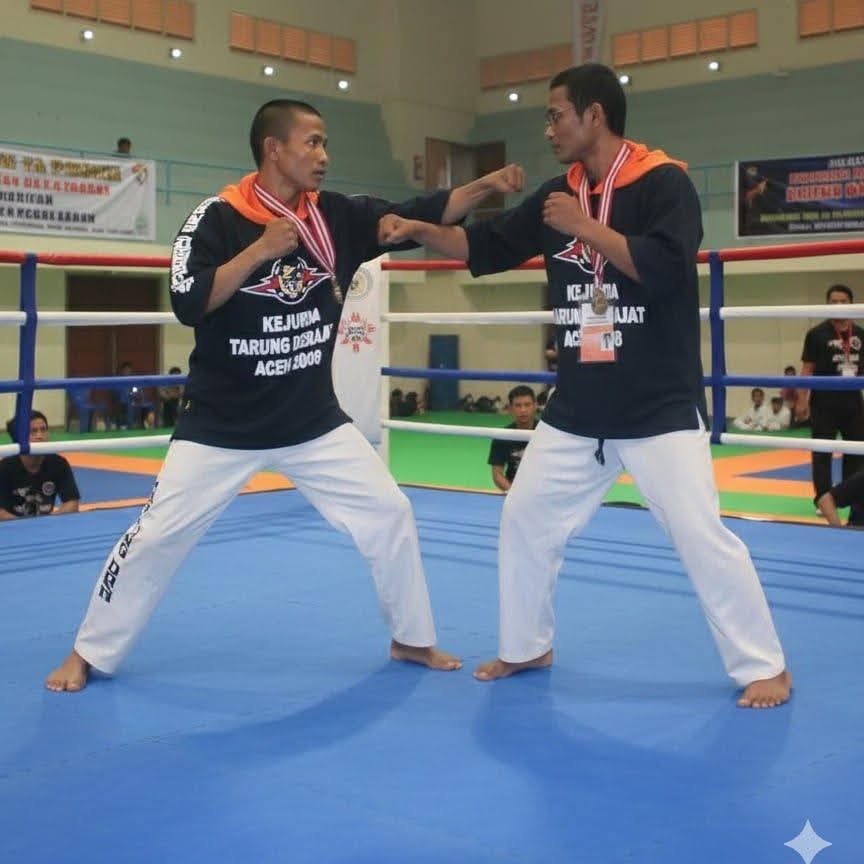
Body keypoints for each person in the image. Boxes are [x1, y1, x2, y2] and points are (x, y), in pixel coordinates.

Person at [45, 97, 524, 693]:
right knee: (157, 536)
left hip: (310, 419)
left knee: (389, 512)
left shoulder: (337, 216)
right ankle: (88, 650)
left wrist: (487, 185)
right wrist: (259, 251)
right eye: (312, 142)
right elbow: (188, 302)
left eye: (325, 143)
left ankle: (410, 637)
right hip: (221, 424)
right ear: (274, 149)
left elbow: (423, 210)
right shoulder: (216, 218)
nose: (324, 155)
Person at [381, 64, 790, 708]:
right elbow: (483, 245)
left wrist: (584, 227)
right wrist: (418, 231)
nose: (548, 129)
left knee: (700, 535)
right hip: (577, 407)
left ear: (594, 115)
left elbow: (666, 269)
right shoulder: (558, 194)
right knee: (525, 517)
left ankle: (766, 666)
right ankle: (527, 646)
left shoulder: (664, 183)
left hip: (656, 404)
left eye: (556, 115)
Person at [795, 284, 864, 526]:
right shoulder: (816, 334)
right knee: (821, 454)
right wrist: (801, 400)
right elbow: (807, 369)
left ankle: (852, 503)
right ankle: (822, 500)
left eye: (843, 301)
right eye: (833, 301)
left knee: (856, 454)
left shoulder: (861, 334)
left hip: (853, 402)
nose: (838, 305)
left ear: (851, 304)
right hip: (824, 403)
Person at [1, 411, 80, 520]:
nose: (40, 436)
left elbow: (72, 503)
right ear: (19, 437)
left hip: (46, 526)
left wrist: (47, 523)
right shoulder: (5, 468)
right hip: (12, 527)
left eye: (43, 430)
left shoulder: (58, 463)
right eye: (33, 431)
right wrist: (25, 526)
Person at [488, 385, 538, 492]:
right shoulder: (502, 436)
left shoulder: (548, 434)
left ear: (535, 406)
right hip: (512, 490)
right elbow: (497, 474)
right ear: (510, 409)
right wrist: (514, 494)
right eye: (518, 405)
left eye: (527, 405)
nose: (523, 410)